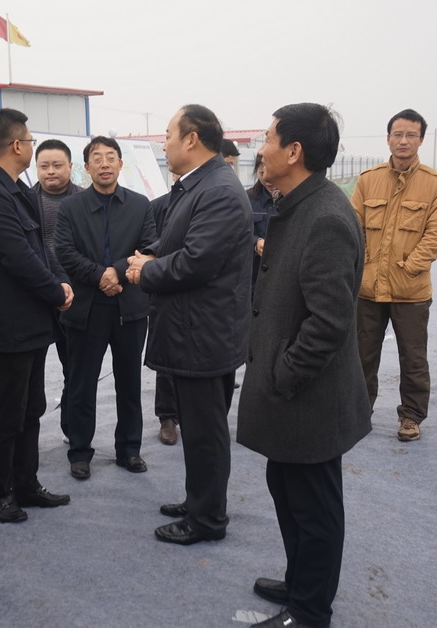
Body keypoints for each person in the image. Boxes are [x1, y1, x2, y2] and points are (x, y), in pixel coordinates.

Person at [238, 103, 371, 628]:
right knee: (288, 491)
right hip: (291, 396)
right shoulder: (299, 206)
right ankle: (300, 584)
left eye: (268, 139)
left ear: (293, 151)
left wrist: (284, 372)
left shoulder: (325, 218)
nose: (261, 149)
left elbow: (329, 323)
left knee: (314, 507)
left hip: (309, 397)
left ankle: (310, 611)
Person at [126, 104, 251, 545]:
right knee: (199, 431)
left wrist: (147, 270)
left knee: (205, 433)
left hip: (203, 334)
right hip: (193, 328)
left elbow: (196, 262)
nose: (163, 144)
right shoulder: (198, 185)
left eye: (167, 135)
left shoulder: (218, 190)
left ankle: (207, 520)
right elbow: (179, 242)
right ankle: (200, 501)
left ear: (192, 139)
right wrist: (153, 256)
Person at [0, 108, 73, 524]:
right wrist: (56, 292)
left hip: (32, 322)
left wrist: (61, 282)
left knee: (31, 408)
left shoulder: (14, 187)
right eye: (29, 140)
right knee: (9, 413)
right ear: (15, 145)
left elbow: (41, 248)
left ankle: (27, 483)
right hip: (8, 325)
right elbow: (18, 258)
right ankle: (0, 493)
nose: (31, 146)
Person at [54, 136, 156, 480]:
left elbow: (150, 247)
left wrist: (119, 271)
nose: (104, 164)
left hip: (130, 307)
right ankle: (80, 451)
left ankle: (129, 449)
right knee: (81, 383)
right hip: (86, 308)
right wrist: (100, 275)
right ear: (86, 168)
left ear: (121, 164)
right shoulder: (70, 207)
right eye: (97, 158)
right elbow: (64, 252)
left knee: (129, 382)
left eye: (111, 157)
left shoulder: (140, 205)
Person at [352, 109, 437, 442]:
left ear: (420, 140)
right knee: (362, 355)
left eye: (411, 135)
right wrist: (364, 265)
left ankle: (411, 416)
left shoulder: (435, 184)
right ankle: (358, 411)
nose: (403, 141)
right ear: (388, 138)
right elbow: (353, 227)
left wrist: (409, 267)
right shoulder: (368, 180)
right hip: (368, 288)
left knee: (413, 358)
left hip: (411, 290)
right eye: (398, 134)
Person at [33, 138, 84, 438]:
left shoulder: (85, 199)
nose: (50, 171)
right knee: (31, 371)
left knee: (74, 368)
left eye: (57, 165)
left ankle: (72, 428)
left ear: (70, 167)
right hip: (36, 297)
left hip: (73, 296)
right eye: (44, 166)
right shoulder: (24, 201)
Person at [148, 177, 179, 446]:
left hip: (201, 288)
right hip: (165, 286)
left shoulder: (212, 200)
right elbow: (149, 243)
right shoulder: (158, 206)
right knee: (167, 355)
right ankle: (168, 416)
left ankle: (191, 413)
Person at [248, 153, 281, 296]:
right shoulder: (247, 198)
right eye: (261, 173)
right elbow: (237, 232)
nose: (267, 178)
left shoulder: (292, 199)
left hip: (281, 274)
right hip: (254, 276)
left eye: (271, 172)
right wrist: (255, 242)